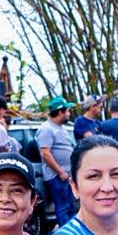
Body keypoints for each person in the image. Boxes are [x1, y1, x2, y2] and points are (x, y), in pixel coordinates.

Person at [38, 97, 76, 226]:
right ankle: (67, 234)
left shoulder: (62, 128)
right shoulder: (47, 129)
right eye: (68, 111)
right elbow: (45, 153)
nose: (69, 114)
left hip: (67, 175)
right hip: (57, 176)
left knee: (72, 206)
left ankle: (73, 233)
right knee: (63, 206)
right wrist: (60, 172)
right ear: (60, 112)